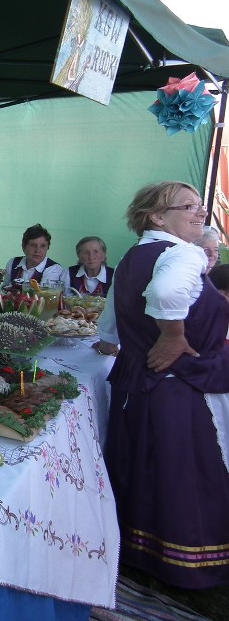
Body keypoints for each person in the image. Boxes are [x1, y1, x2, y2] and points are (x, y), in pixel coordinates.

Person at [99, 182, 229, 589]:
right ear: (157, 216)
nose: (200, 213)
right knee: (183, 473)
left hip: (140, 383)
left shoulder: (133, 256)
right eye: (190, 206)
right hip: (177, 387)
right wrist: (172, 336)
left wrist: (125, 342)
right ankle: (187, 561)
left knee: (144, 466)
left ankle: (139, 551)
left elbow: (109, 325)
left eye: (200, 206)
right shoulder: (182, 252)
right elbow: (166, 292)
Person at [2, 223, 69, 289]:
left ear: (47, 248)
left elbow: (43, 296)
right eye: (33, 245)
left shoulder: (53, 268)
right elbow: (4, 290)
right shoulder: (13, 263)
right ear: (23, 247)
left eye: (43, 246)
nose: (37, 250)